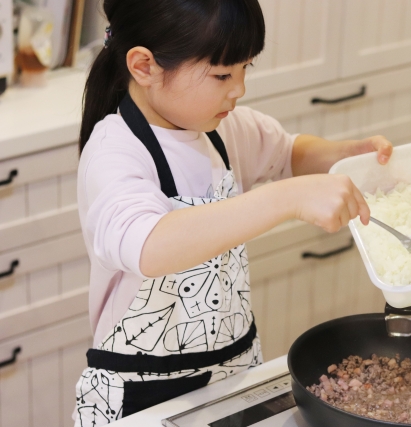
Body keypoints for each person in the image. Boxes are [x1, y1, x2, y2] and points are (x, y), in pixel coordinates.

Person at [72, 0, 393, 425]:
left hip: (232, 377)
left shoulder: (222, 128)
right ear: (144, 67)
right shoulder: (114, 152)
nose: (238, 89)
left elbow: (288, 152)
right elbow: (150, 244)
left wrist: (347, 156)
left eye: (245, 68)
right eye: (223, 74)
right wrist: (287, 199)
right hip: (143, 395)